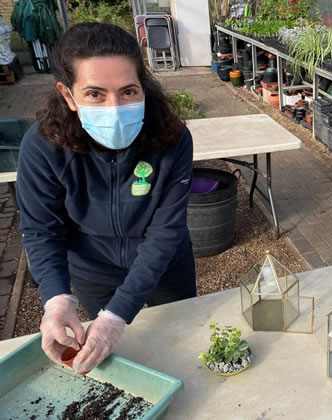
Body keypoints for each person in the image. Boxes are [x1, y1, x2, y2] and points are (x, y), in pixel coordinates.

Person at [16, 23, 197, 374]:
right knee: (112, 358)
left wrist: (117, 315)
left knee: (182, 342)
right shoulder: (42, 148)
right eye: (95, 94)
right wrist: (55, 298)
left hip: (166, 264)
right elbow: (42, 230)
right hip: (92, 269)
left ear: (143, 87)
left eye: (128, 91)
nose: (115, 107)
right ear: (68, 95)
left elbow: (165, 231)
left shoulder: (172, 139)